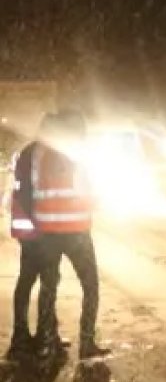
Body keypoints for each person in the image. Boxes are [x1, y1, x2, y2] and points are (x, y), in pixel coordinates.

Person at [6, 111, 110, 361]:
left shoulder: (35, 153)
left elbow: (27, 191)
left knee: (47, 286)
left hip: (44, 232)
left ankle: (45, 341)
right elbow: (88, 190)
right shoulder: (76, 153)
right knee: (89, 286)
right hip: (71, 232)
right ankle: (84, 342)